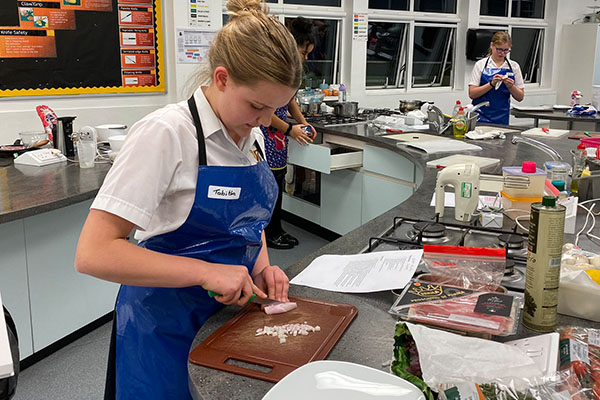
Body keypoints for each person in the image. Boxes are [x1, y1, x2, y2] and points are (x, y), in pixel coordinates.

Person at [74, 1, 302, 399]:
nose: (267, 121)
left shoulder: (253, 136)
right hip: (163, 323)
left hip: (227, 314)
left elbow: (249, 222)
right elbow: (93, 253)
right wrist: (205, 272)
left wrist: (263, 266)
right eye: (257, 106)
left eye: (275, 109)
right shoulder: (166, 133)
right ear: (222, 78)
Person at [261, 16, 317, 250]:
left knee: (278, 182)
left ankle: (277, 230)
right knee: (269, 186)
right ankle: (269, 234)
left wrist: (303, 124)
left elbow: (290, 100)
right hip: (266, 134)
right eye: (303, 52)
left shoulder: (290, 71)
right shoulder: (272, 69)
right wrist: (289, 129)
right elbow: (264, 110)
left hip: (280, 137)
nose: (305, 58)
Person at [468, 31, 525, 125]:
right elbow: (472, 93)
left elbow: (520, 97)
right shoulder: (481, 65)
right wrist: (491, 84)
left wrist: (511, 86)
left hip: (502, 116)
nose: (502, 53)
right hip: (480, 115)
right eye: (499, 49)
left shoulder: (514, 66)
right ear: (492, 46)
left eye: (506, 50)